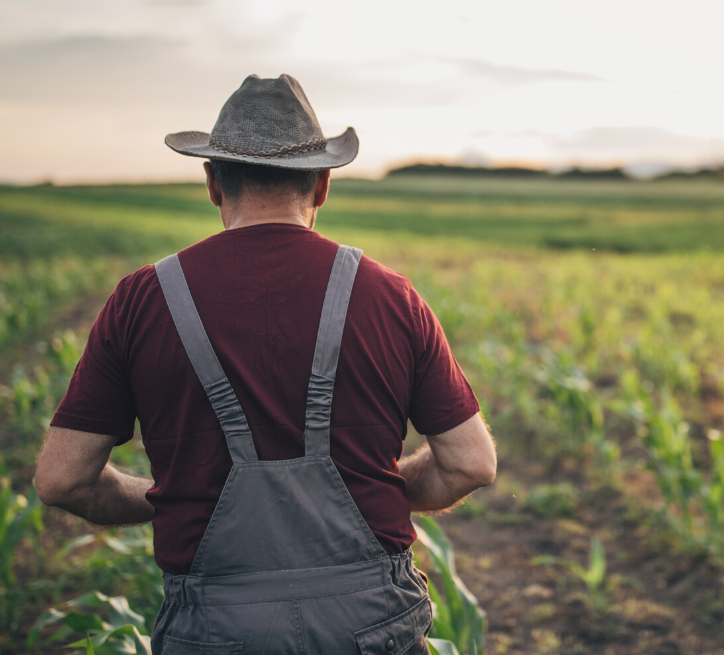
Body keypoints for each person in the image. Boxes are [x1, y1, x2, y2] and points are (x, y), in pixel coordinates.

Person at [34, 73, 496, 655]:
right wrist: (373, 484)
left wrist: (166, 496)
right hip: (370, 624)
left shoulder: (143, 299)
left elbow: (62, 478)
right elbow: (470, 464)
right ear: (323, 184)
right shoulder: (390, 296)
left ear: (211, 182)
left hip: (213, 629)